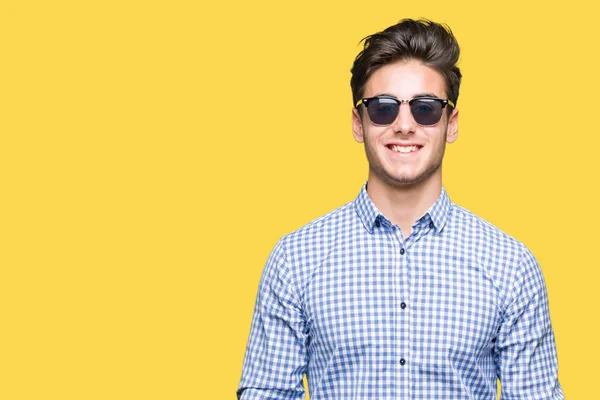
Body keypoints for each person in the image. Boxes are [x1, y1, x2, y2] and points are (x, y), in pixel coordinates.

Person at [237, 18, 564, 400]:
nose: (404, 125)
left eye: (425, 108)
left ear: (450, 123)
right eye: (383, 108)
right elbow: (267, 393)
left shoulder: (511, 266)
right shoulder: (295, 260)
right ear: (359, 123)